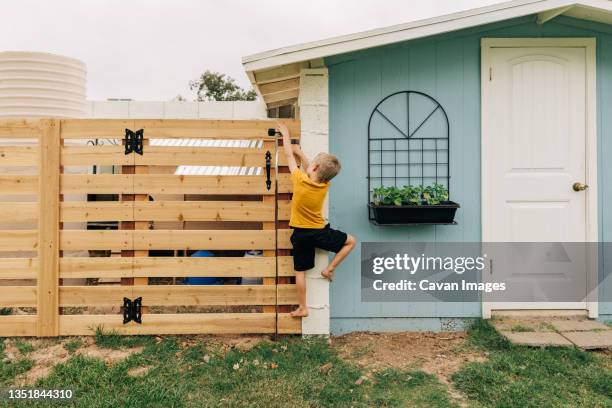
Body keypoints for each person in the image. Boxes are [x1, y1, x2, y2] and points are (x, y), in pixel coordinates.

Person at [276, 123, 356, 318]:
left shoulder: (299, 179)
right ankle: (329, 269)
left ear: (315, 167)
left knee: (300, 271)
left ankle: (303, 307)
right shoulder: (324, 186)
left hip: (301, 234)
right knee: (351, 241)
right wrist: (301, 153)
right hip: (319, 232)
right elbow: (312, 169)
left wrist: (286, 135)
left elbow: (288, 157)